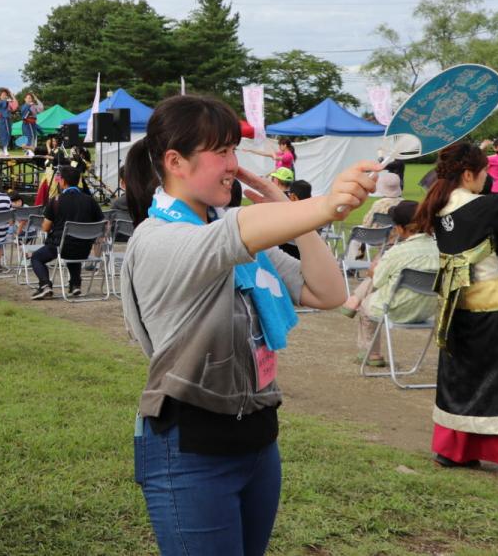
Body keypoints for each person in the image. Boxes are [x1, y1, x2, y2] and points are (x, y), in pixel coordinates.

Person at [120, 94, 376, 555]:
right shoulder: (158, 240)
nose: (233, 165)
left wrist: (292, 214)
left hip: (258, 442)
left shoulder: (237, 238)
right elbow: (236, 231)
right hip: (191, 448)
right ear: (176, 161)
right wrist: (325, 204)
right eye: (221, 151)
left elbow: (328, 293)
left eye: (234, 150)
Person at [411, 142, 498, 469]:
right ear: (468, 174)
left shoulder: (436, 206)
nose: (486, 178)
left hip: (453, 306)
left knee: (459, 376)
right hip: (492, 305)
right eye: (483, 172)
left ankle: (452, 450)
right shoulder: (488, 207)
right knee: (493, 378)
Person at [339, 200, 438, 365]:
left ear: (399, 228)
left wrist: (373, 270)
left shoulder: (397, 252)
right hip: (427, 310)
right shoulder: (440, 248)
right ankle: (353, 301)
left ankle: (372, 354)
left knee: (367, 303)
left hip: (397, 310)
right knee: (386, 277)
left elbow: (377, 280)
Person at [29, 165, 104, 299]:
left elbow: (45, 228)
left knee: (36, 257)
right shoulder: (90, 200)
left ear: (63, 181)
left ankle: (45, 285)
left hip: (60, 247)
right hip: (84, 247)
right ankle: (75, 285)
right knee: (73, 248)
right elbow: (102, 224)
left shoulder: (56, 200)